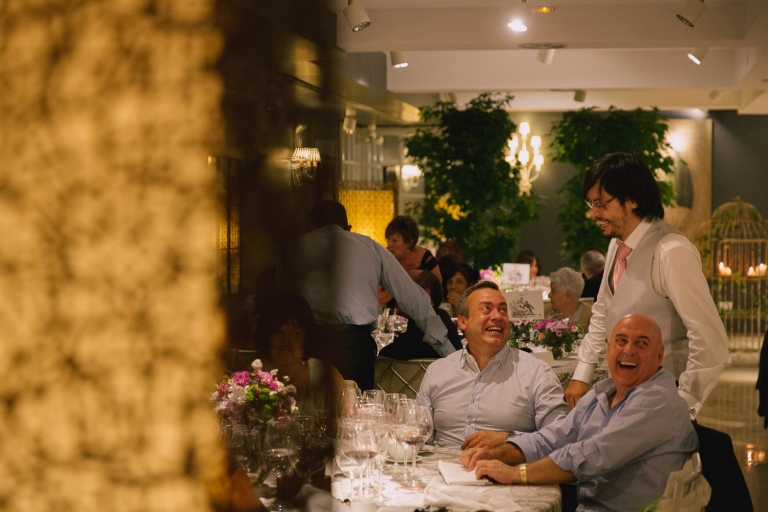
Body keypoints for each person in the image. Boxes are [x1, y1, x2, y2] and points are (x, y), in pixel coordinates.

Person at [461, 314, 699, 512]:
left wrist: (515, 473)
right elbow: (552, 438)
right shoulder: (602, 393)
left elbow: (592, 456)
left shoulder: (657, 401)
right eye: (621, 341)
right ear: (608, 349)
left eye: (642, 343)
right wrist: (495, 455)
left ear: (659, 356)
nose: (629, 350)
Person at [563, 153, 728, 418]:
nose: (594, 213)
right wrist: (583, 373)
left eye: (601, 204)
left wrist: (684, 403)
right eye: (591, 203)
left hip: (663, 400)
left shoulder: (671, 250)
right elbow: (603, 311)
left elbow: (710, 340)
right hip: (623, 395)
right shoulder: (616, 245)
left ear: (632, 199)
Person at [274, 201, 455, 391]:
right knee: (357, 406)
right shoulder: (370, 247)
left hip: (309, 344)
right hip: (355, 347)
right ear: (348, 228)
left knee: (307, 404)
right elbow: (414, 300)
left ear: (311, 227)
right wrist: (449, 353)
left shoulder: (294, 248)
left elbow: (278, 304)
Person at [417, 281, 569, 449]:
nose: (497, 316)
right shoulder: (437, 371)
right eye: (486, 309)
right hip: (441, 464)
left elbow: (559, 438)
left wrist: (510, 439)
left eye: (503, 310)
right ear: (462, 321)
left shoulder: (537, 373)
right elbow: (418, 436)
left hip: (507, 465)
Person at [250, 294, 346, 422]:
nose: (286, 342)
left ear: (306, 338)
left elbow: (349, 422)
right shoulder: (253, 379)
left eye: (295, 333)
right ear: (267, 336)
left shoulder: (326, 374)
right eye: (279, 332)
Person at [379, 270, 463, 360]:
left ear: (424, 293)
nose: (396, 294)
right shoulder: (439, 317)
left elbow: (385, 357)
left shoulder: (429, 324)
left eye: (403, 287)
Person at [385, 215, 442, 282]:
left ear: (409, 242)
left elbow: (438, 285)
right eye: (388, 239)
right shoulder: (385, 258)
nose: (389, 244)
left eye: (394, 241)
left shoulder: (426, 259)